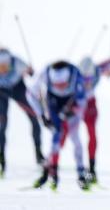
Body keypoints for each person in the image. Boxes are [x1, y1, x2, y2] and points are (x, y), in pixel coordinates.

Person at [27, 60, 90, 190]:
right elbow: (30, 94)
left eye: (63, 84)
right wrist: (42, 115)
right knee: (56, 137)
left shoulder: (75, 74)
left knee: (75, 137)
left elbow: (83, 99)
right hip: (53, 104)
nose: (60, 87)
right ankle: (51, 173)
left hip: (72, 104)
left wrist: (74, 110)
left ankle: (81, 173)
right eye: (57, 84)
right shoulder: (45, 73)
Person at [59, 56, 110, 184]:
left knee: (92, 134)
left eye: (89, 78)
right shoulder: (72, 74)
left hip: (90, 104)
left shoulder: (97, 70)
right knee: (64, 131)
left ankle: (92, 168)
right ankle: (52, 162)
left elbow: (109, 66)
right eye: (83, 78)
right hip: (75, 104)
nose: (86, 82)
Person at [0, 48, 44, 175]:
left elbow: (31, 73)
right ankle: (1, 157)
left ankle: (39, 154)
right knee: (2, 126)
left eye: (5, 66)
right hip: (1, 93)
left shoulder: (17, 61)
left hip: (18, 89)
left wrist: (31, 72)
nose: (3, 69)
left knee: (34, 117)